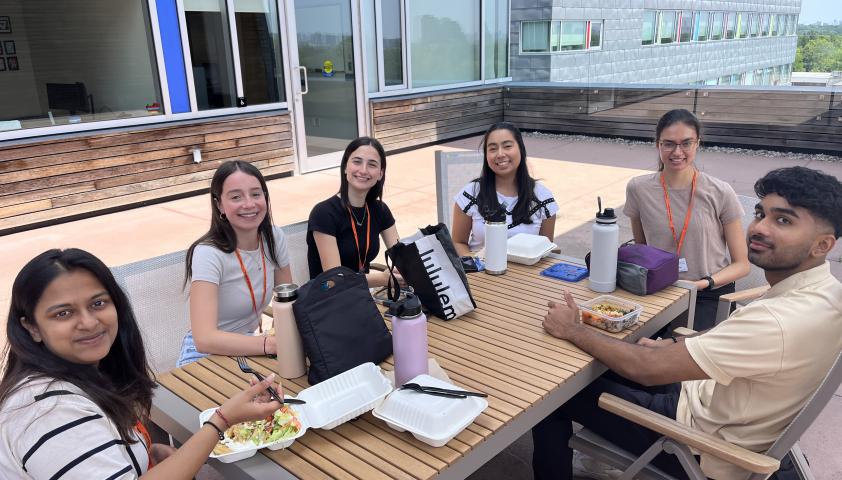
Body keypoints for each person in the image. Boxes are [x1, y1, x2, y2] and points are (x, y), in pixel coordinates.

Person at [533, 166, 842, 480]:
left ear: (822, 245)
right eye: (761, 214)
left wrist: (572, 328)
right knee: (604, 364)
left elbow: (645, 368)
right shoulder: (827, 294)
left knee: (549, 396)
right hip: (717, 400)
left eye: (783, 220)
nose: (760, 228)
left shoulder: (777, 322)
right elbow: (747, 339)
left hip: (698, 443)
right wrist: (676, 345)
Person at [0, 248, 283, 479]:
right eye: (63, 314)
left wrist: (139, 455)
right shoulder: (48, 412)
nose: (88, 322)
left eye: (98, 304)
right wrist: (221, 421)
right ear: (31, 327)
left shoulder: (82, 375)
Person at [624, 109, 750, 331]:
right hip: (658, 287)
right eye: (669, 143)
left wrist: (703, 283)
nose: (677, 151)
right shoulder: (638, 188)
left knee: (676, 351)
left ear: (697, 144)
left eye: (686, 143)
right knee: (628, 343)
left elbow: (742, 265)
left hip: (708, 293)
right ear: (658, 145)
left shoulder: (719, 191)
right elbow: (642, 249)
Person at [178, 160, 292, 367]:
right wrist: (270, 344)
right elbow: (204, 338)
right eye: (236, 197)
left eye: (256, 194)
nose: (249, 204)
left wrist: (282, 337)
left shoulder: (274, 237)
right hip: (205, 355)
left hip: (251, 346)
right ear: (219, 204)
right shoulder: (208, 253)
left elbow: (287, 301)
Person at [451, 122, 558, 256]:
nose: (500, 154)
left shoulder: (543, 198)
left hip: (525, 275)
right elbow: (458, 242)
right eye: (493, 148)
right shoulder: (470, 194)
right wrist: (475, 268)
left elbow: (544, 250)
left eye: (507, 146)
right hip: (480, 272)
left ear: (521, 149)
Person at [307, 136, 400, 287]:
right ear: (345, 167)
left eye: (372, 164)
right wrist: (382, 279)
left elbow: (402, 257)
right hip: (328, 300)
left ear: (380, 174)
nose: (363, 170)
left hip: (363, 296)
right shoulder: (323, 213)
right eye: (357, 162)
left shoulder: (380, 210)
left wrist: (403, 270)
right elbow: (335, 279)